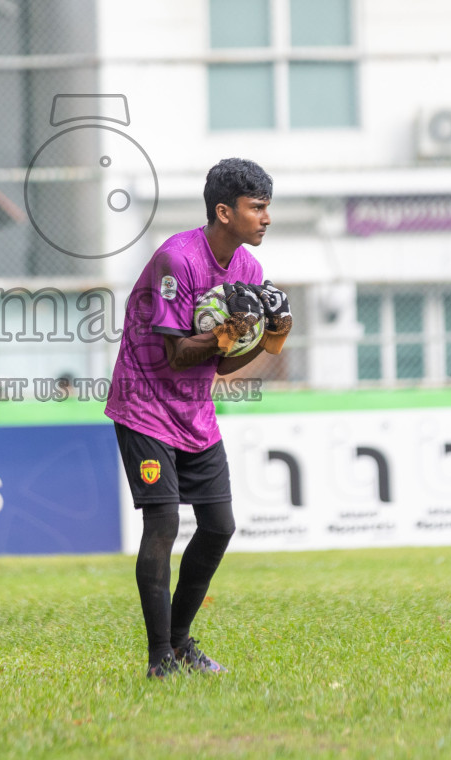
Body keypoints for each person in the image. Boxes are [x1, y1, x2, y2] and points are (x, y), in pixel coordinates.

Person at [105, 158, 293, 678]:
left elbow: (220, 362)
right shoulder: (176, 260)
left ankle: (182, 641)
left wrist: (268, 338)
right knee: (163, 523)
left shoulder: (249, 272)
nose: (266, 218)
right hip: (144, 405)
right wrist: (225, 332)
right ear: (224, 211)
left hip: (194, 412)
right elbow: (176, 355)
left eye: (267, 208)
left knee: (218, 526)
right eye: (257, 208)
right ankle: (159, 658)